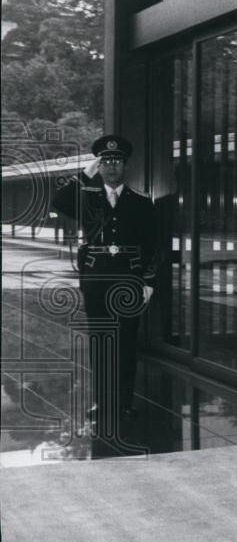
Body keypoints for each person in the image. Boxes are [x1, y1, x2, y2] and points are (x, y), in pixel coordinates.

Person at [52, 135, 156, 422]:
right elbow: (59, 201)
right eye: (106, 162)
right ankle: (102, 402)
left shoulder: (141, 202)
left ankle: (124, 402)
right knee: (101, 341)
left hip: (129, 278)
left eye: (117, 162)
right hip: (97, 277)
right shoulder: (88, 198)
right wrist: (84, 173)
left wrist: (148, 280)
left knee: (125, 341)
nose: (112, 167)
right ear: (100, 166)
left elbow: (152, 244)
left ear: (125, 166)